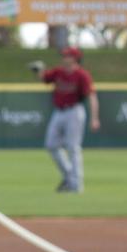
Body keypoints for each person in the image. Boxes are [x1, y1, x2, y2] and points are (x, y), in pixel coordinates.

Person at [31, 45, 100, 193]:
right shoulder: (58, 72)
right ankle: (69, 176)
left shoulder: (82, 75)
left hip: (74, 111)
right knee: (51, 145)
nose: (64, 58)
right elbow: (45, 78)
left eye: (67, 55)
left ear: (75, 58)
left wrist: (95, 118)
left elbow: (92, 96)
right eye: (64, 55)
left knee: (73, 148)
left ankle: (76, 185)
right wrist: (39, 70)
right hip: (59, 111)